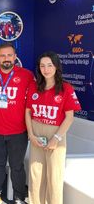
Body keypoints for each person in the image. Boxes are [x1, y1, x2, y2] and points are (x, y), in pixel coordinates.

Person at [25, 51, 80, 204]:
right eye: (42, 66)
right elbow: (27, 112)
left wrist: (56, 139)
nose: (46, 69)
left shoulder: (66, 88)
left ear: (56, 67)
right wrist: (31, 134)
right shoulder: (34, 86)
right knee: (36, 175)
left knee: (54, 177)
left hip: (56, 133)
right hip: (36, 133)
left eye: (50, 65)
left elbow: (69, 117)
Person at [0, 43, 33, 204]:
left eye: (9, 55)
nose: (6, 59)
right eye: (2, 56)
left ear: (15, 57)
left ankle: (19, 197)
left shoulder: (26, 75)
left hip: (18, 131)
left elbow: (34, 100)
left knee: (17, 166)